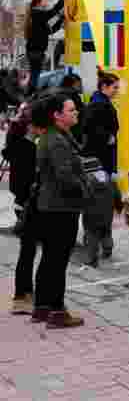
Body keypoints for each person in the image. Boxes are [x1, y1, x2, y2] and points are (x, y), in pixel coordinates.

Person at [32, 93, 88, 328]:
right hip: (60, 208)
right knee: (57, 260)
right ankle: (56, 311)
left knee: (49, 258)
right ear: (56, 115)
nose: (76, 113)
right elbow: (65, 176)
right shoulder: (56, 141)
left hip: (52, 206)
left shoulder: (55, 137)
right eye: (71, 110)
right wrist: (86, 189)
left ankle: (42, 307)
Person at [82, 71, 123, 268]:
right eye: (114, 87)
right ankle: (99, 248)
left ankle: (101, 246)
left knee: (97, 207)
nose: (117, 90)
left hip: (99, 160)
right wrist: (107, 137)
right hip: (100, 160)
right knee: (100, 206)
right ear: (104, 87)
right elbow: (91, 129)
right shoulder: (99, 105)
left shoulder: (97, 102)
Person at [8, 102, 40, 315]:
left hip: (23, 203)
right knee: (27, 251)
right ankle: (22, 296)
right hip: (26, 205)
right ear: (31, 126)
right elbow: (19, 183)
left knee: (28, 250)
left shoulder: (22, 145)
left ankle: (25, 292)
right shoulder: (26, 149)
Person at [25, 0, 64, 93]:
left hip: (36, 50)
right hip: (35, 50)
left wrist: (61, 20)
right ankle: (31, 94)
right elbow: (50, 14)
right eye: (44, 1)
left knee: (35, 74)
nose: (47, 2)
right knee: (35, 74)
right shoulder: (36, 13)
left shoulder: (37, 16)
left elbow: (50, 31)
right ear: (38, 3)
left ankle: (31, 93)